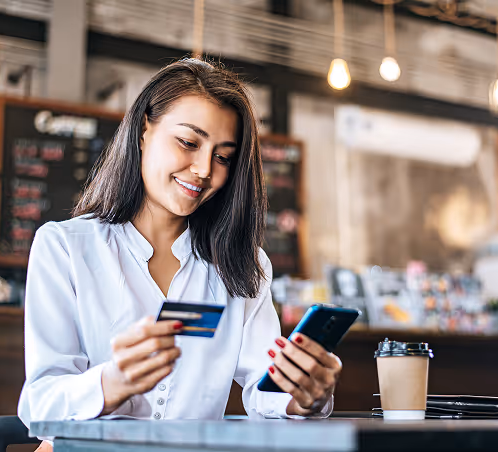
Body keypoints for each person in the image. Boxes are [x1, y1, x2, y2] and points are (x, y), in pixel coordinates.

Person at [18, 59, 341, 450]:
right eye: (188, 142)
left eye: (223, 156)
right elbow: (39, 404)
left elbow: (263, 389)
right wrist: (112, 382)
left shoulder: (242, 265)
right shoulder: (65, 248)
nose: (204, 169)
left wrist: (304, 396)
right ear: (143, 131)